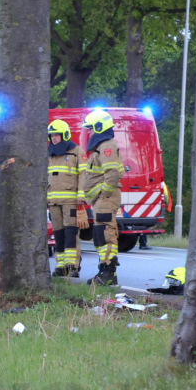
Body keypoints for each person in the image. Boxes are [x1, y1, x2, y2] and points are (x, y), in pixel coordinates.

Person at [82, 110, 124, 286]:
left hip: (105, 199)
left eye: (91, 129)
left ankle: (108, 273)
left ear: (99, 127)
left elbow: (112, 174)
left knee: (106, 235)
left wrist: (104, 194)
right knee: (99, 235)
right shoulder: (100, 147)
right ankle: (104, 271)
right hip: (100, 201)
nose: (89, 132)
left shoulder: (106, 146)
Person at [46, 119, 86, 277]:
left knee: (71, 233)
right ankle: (61, 264)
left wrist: (81, 196)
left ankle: (73, 265)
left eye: (56, 135)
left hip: (71, 201)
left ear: (65, 135)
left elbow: (84, 175)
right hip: (54, 202)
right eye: (51, 135)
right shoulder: (49, 154)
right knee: (58, 234)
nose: (53, 138)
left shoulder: (77, 151)